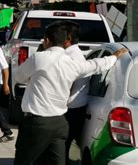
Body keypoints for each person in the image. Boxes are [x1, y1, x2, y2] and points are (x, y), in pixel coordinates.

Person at [13, 21, 128, 165]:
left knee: (24, 161)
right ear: (65, 40)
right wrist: (113, 57)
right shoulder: (73, 63)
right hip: (60, 123)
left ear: (47, 40)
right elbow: (96, 65)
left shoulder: (39, 58)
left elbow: (18, 77)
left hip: (37, 123)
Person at [62, 21, 88, 163]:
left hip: (71, 108)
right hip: (75, 107)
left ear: (68, 38)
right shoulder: (76, 53)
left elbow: (67, 84)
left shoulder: (70, 57)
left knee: (64, 147)